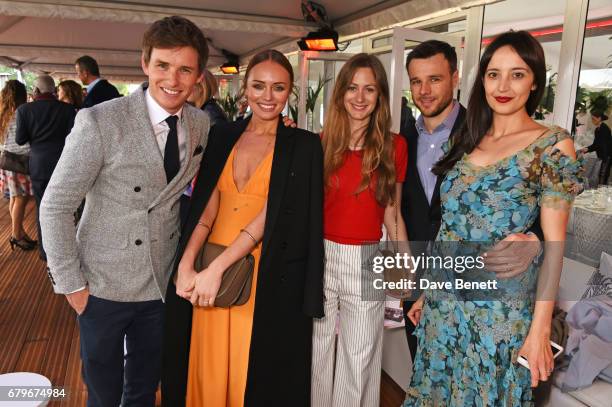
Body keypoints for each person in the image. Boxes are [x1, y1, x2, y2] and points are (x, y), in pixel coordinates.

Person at [404, 31, 583, 406]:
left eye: (517, 74)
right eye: (493, 74)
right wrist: (427, 288)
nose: (503, 86)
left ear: (535, 80)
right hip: (443, 308)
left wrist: (538, 332)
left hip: (498, 316)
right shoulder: (465, 139)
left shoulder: (552, 144)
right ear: (481, 79)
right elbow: (450, 225)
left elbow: (554, 246)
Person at [39, 16, 210, 406]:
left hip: (160, 283)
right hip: (100, 285)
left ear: (199, 75)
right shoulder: (100, 120)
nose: (174, 79)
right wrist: (73, 287)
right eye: (163, 66)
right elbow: (56, 205)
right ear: (145, 64)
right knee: (103, 390)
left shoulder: (200, 124)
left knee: (145, 387)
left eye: (185, 69)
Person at [162, 49, 324, 407]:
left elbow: (270, 215)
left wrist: (216, 270)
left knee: (250, 371)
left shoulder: (303, 146)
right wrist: (188, 265)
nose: (268, 96)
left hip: (260, 273)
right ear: (244, 90)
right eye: (259, 86)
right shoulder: (222, 135)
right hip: (209, 268)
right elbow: (206, 209)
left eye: (278, 88)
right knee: (206, 363)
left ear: (291, 93)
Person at [400, 39, 543, 362]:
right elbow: (395, 211)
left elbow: (529, 203)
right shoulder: (400, 140)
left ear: (455, 78)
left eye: (434, 79)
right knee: (425, 373)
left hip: (484, 288)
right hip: (419, 282)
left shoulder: (488, 133)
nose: (424, 90)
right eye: (416, 81)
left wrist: (535, 239)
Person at [310, 53, 408, 407]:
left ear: (380, 95)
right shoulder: (318, 144)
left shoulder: (394, 146)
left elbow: (393, 214)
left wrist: (406, 267)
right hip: (320, 255)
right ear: (340, 94)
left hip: (368, 258)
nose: (360, 97)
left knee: (360, 355)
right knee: (316, 351)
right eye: (352, 88)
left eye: (370, 89)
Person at [15, 75, 76, 261]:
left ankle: (45, 251)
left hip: (39, 166)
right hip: (64, 165)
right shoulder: (68, 110)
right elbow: (73, 137)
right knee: (67, 208)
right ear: (53, 90)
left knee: (43, 208)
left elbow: (20, 140)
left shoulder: (24, 110)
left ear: (37, 91)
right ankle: (68, 250)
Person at [0, 80, 36, 251]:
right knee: (21, 199)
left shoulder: (4, 113)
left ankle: (20, 231)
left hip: (7, 160)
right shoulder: (22, 112)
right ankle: (16, 235)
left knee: (15, 198)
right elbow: (25, 140)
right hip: (20, 161)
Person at [580, 110, 611, 186]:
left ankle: (602, 193)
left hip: (607, 156)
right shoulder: (597, 130)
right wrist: (587, 149)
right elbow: (596, 144)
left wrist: (604, 158)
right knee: (600, 175)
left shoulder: (604, 128)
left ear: (599, 118)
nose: (592, 121)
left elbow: (601, 144)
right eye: (592, 119)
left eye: (594, 119)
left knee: (603, 176)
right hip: (602, 156)